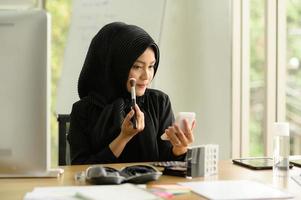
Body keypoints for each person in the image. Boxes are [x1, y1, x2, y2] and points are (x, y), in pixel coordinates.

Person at [68, 22, 195, 164]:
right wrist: (123, 138)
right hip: (104, 187)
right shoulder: (83, 110)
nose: (146, 76)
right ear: (115, 66)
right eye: (137, 66)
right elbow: (78, 168)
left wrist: (180, 148)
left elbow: (166, 162)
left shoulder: (159, 102)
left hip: (149, 186)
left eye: (151, 66)